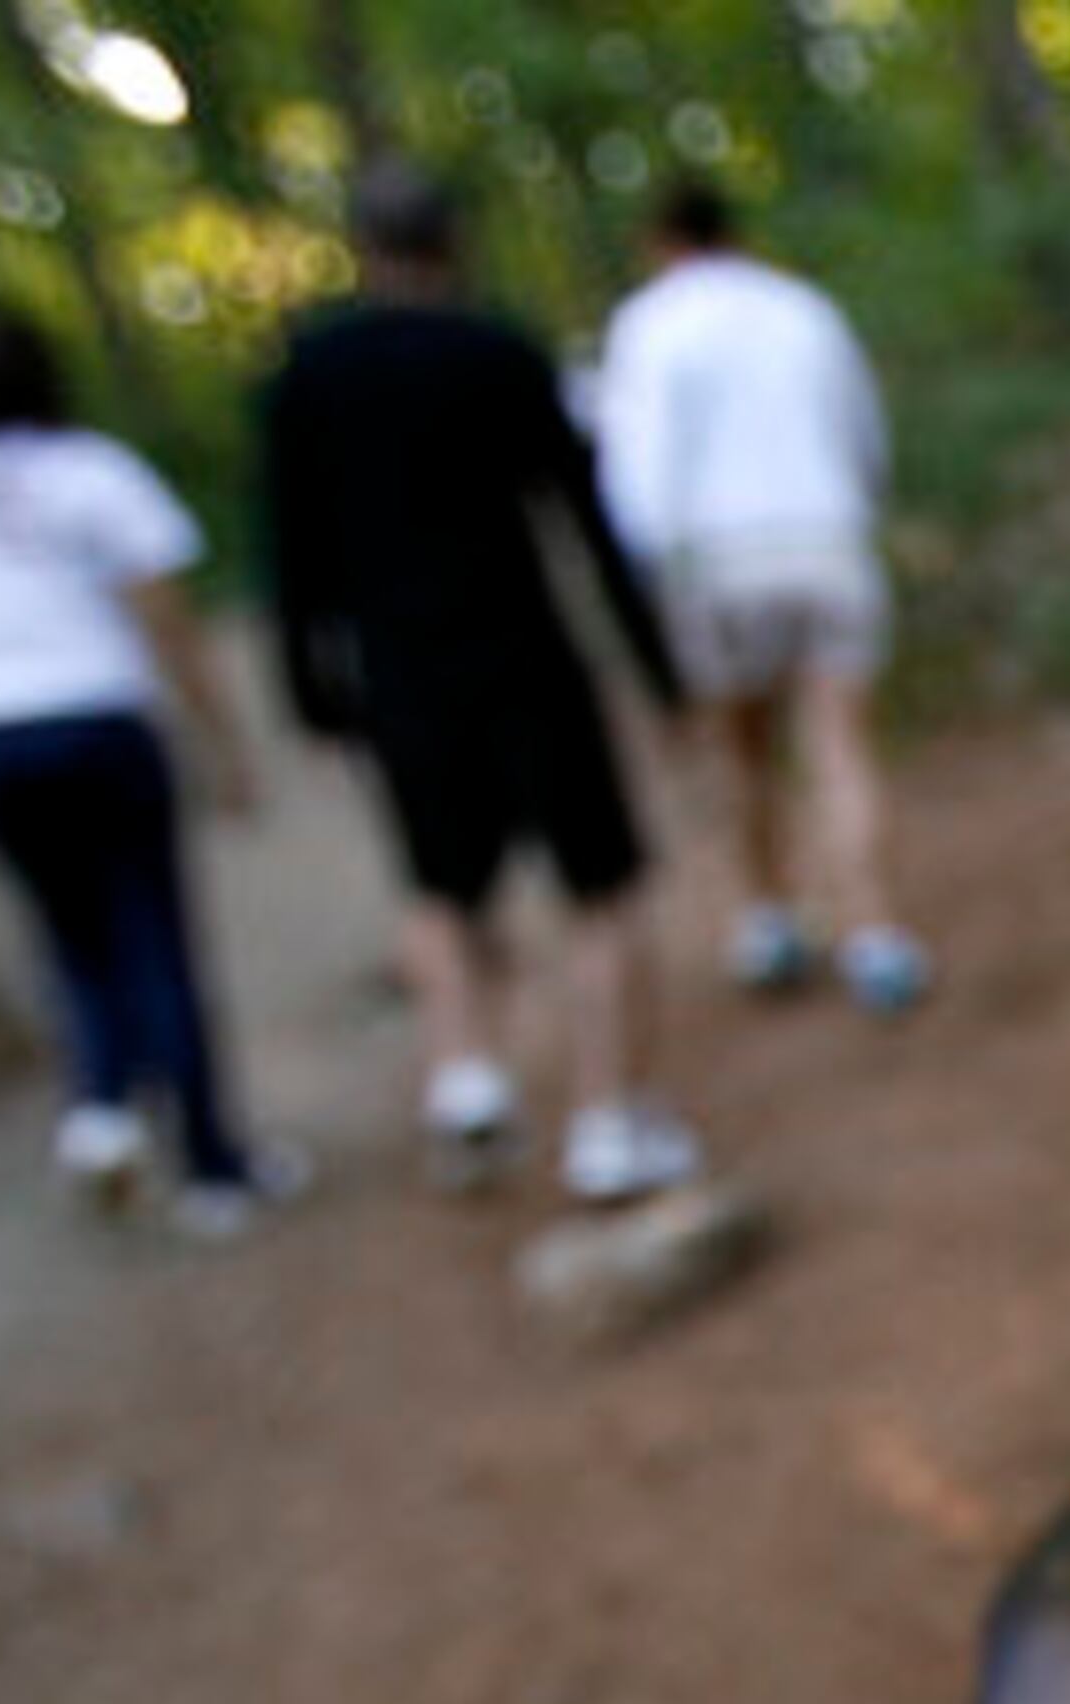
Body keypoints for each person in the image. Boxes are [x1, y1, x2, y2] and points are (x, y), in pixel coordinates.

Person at [263, 162, 704, 1204]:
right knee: (601, 889)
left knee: (437, 888)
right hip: (525, 658)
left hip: (400, 679)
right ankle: (609, 1120)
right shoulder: (497, 353)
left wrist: (310, 693)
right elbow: (584, 522)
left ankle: (466, 1079)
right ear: (451, 243)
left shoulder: (311, 374)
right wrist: (656, 668)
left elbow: (289, 550)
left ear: (365, 248)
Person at [0, 315, 297, 1237]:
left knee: (69, 934)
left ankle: (99, 1113)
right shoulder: (92, 470)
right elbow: (165, 611)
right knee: (153, 935)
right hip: (96, 718)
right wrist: (223, 743)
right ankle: (213, 1168)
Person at [597, 179, 928, 1015]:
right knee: (839, 743)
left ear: (660, 240)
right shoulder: (802, 309)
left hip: (719, 561)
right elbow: (864, 434)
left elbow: (636, 477)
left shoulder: (649, 324)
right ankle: (876, 932)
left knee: (744, 747)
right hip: (826, 538)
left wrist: (649, 583)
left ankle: (770, 915)